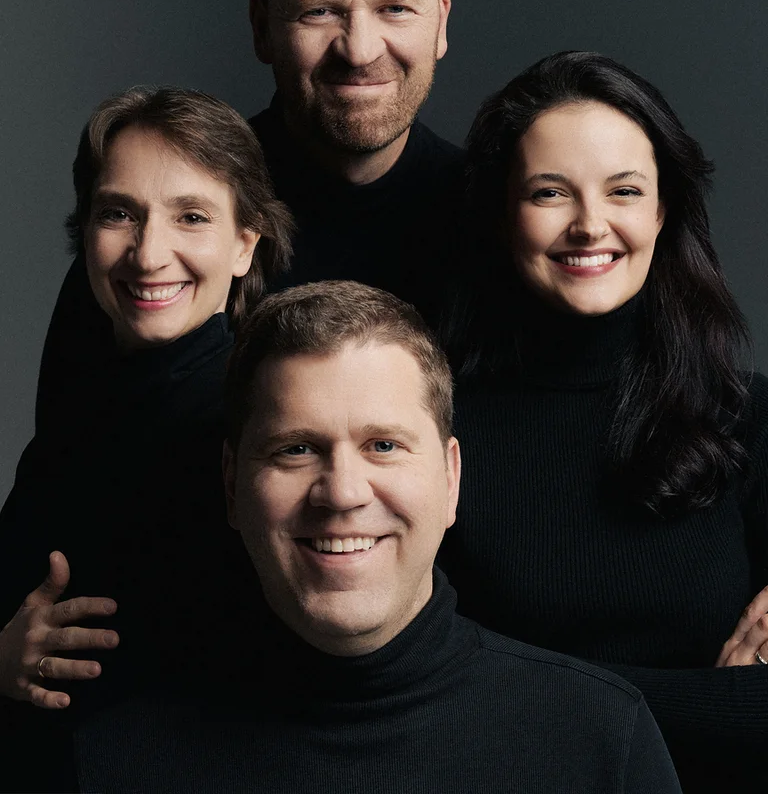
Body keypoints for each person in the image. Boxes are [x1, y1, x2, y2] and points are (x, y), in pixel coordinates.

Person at [72, 281, 682, 793]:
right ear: (232, 483)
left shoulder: (601, 738)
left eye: (383, 446)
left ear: (450, 478)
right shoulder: (114, 760)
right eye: (296, 449)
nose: (342, 492)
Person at [28, 0, 466, 437]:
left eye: (395, 9)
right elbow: (67, 478)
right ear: (262, 27)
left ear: (441, 19)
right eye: (320, 11)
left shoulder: (503, 220)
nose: (359, 49)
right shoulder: (168, 223)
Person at [437, 51, 768, 792]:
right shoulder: (437, 431)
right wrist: (705, 699)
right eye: (551, 192)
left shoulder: (749, 417)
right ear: (502, 212)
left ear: (662, 209)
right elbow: (437, 693)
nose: (591, 226)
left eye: (624, 190)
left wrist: (530, 684)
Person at [0, 86, 292, 791]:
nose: (148, 252)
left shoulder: (261, 426)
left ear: (244, 244)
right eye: (119, 213)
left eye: (191, 216)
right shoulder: (82, 408)